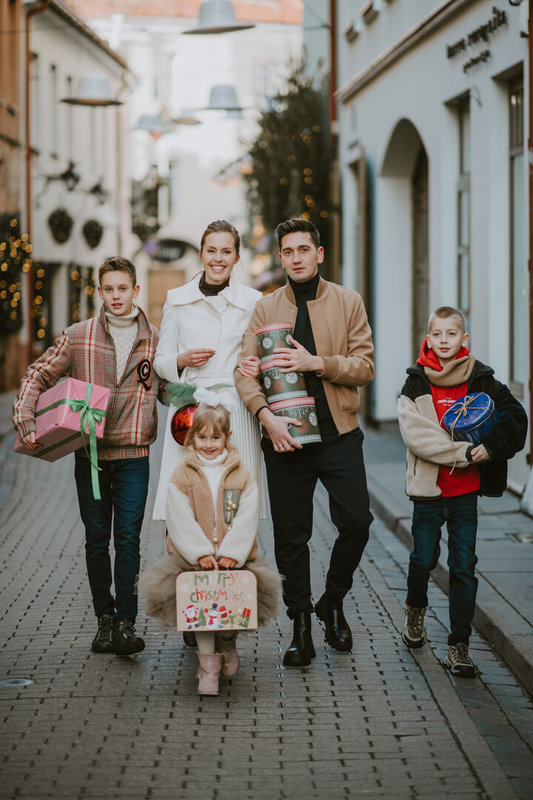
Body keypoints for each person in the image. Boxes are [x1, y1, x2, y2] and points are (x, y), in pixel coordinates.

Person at [234, 218, 375, 667]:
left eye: (303, 249)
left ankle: (332, 600)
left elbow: (364, 367)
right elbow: (245, 371)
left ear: (319, 253)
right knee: (292, 537)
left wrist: (318, 362)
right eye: (287, 251)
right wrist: (265, 418)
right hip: (285, 437)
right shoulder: (265, 308)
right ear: (281, 257)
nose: (296, 258)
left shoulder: (348, 301)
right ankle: (301, 627)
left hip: (339, 433)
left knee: (357, 521)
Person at [12, 257, 164, 655]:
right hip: (91, 455)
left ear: (135, 290)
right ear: (101, 292)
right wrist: (24, 415)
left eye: (123, 288)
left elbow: (172, 391)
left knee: (127, 541)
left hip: (134, 455)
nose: (116, 296)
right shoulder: (78, 336)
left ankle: (126, 624)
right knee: (97, 541)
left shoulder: (156, 340)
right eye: (108, 289)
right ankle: (104, 621)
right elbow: (38, 373)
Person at [398, 306, 527, 676]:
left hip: (465, 494)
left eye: (451, 334)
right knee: (423, 559)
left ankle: (459, 645)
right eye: (437, 335)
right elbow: (418, 437)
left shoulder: (482, 380)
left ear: (463, 339)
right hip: (428, 491)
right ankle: (415, 611)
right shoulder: (415, 383)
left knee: (464, 568)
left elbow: (515, 418)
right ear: (428, 338)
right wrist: (467, 452)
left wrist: (494, 445)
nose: (443, 341)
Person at [139, 394, 281, 696]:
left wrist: (232, 552)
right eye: (201, 437)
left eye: (215, 437)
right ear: (192, 437)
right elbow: (179, 517)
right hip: (193, 560)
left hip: (234, 559)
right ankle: (208, 668)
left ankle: (228, 644)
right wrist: (199, 551)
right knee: (202, 614)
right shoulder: (182, 475)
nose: (208, 443)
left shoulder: (242, 475)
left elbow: (246, 515)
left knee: (227, 612)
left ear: (227, 436)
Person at [152, 219, 264, 523]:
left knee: (235, 504)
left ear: (237, 258)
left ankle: (233, 564)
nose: (218, 258)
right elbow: (160, 360)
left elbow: (261, 355)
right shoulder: (177, 299)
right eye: (211, 250)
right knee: (187, 503)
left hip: (236, 407)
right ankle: (189, 566)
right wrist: (182, 359)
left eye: (226, 252)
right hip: (190, 406)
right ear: (201, 254)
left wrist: (256, 364)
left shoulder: (253, 302)